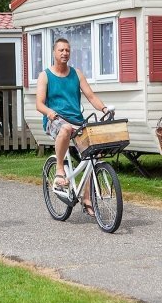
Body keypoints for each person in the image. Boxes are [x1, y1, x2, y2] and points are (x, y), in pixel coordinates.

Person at [36, 38, 109, 216]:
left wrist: (104, 109)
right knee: (66, 129)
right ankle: (60, 169)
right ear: (54, 53)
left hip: (77, 120)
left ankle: (86, 197)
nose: (64, 53)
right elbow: (39, 103)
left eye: (67, 50)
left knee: (94, 153)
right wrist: (49, 112)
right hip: (55, 120)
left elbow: (91, 97)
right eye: (61, 50)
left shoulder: (76, 74)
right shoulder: (45, 75)